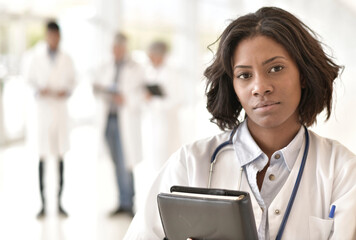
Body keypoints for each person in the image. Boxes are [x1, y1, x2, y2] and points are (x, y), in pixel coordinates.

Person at [123, 6, 356, 240]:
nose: (260, 87)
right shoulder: (190, 163)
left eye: (276, 68)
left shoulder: (342, 170)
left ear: (303, 75)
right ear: (233, 86)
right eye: (245, 75)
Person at [27, 21, 75, 218]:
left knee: (60, 157)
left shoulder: (67, 58)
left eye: (56, 36)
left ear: (59, 37)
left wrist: (66, 91)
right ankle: (43, 204)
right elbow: (29, 80)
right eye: (50, 36)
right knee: (43, 158)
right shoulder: (36, 57)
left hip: (60, 110)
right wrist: (40, 89)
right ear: (46, 36)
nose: (53, 39)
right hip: (44, 112)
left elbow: (73, 81)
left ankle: (59, 202)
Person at [93, 32, 145, 216]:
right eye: (113, 48)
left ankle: (129, 203)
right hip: (109, 120)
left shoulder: (136, 68)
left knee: (126, 162)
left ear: (124, 48)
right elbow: (98, 86)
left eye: (118, 48)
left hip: (125, 120)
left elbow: (141, 94)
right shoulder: (105, 66)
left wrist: (126, 98)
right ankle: (121, 202)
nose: (115, 51)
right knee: (116, 162)